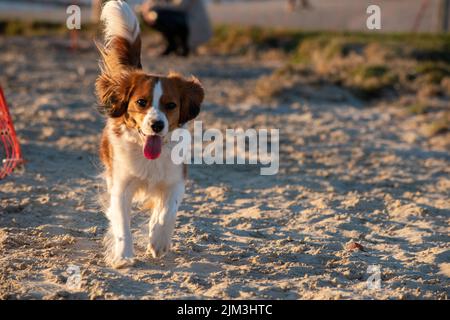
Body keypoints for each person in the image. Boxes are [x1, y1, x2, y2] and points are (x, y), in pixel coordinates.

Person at [141, 0, 212, 57]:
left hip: (193, 25)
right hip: (186, 20)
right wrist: (147, 8)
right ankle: (172, 45)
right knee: (156, 14)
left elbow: (180, 7)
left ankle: (182, 45)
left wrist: (154, 8)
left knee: (160, 15)